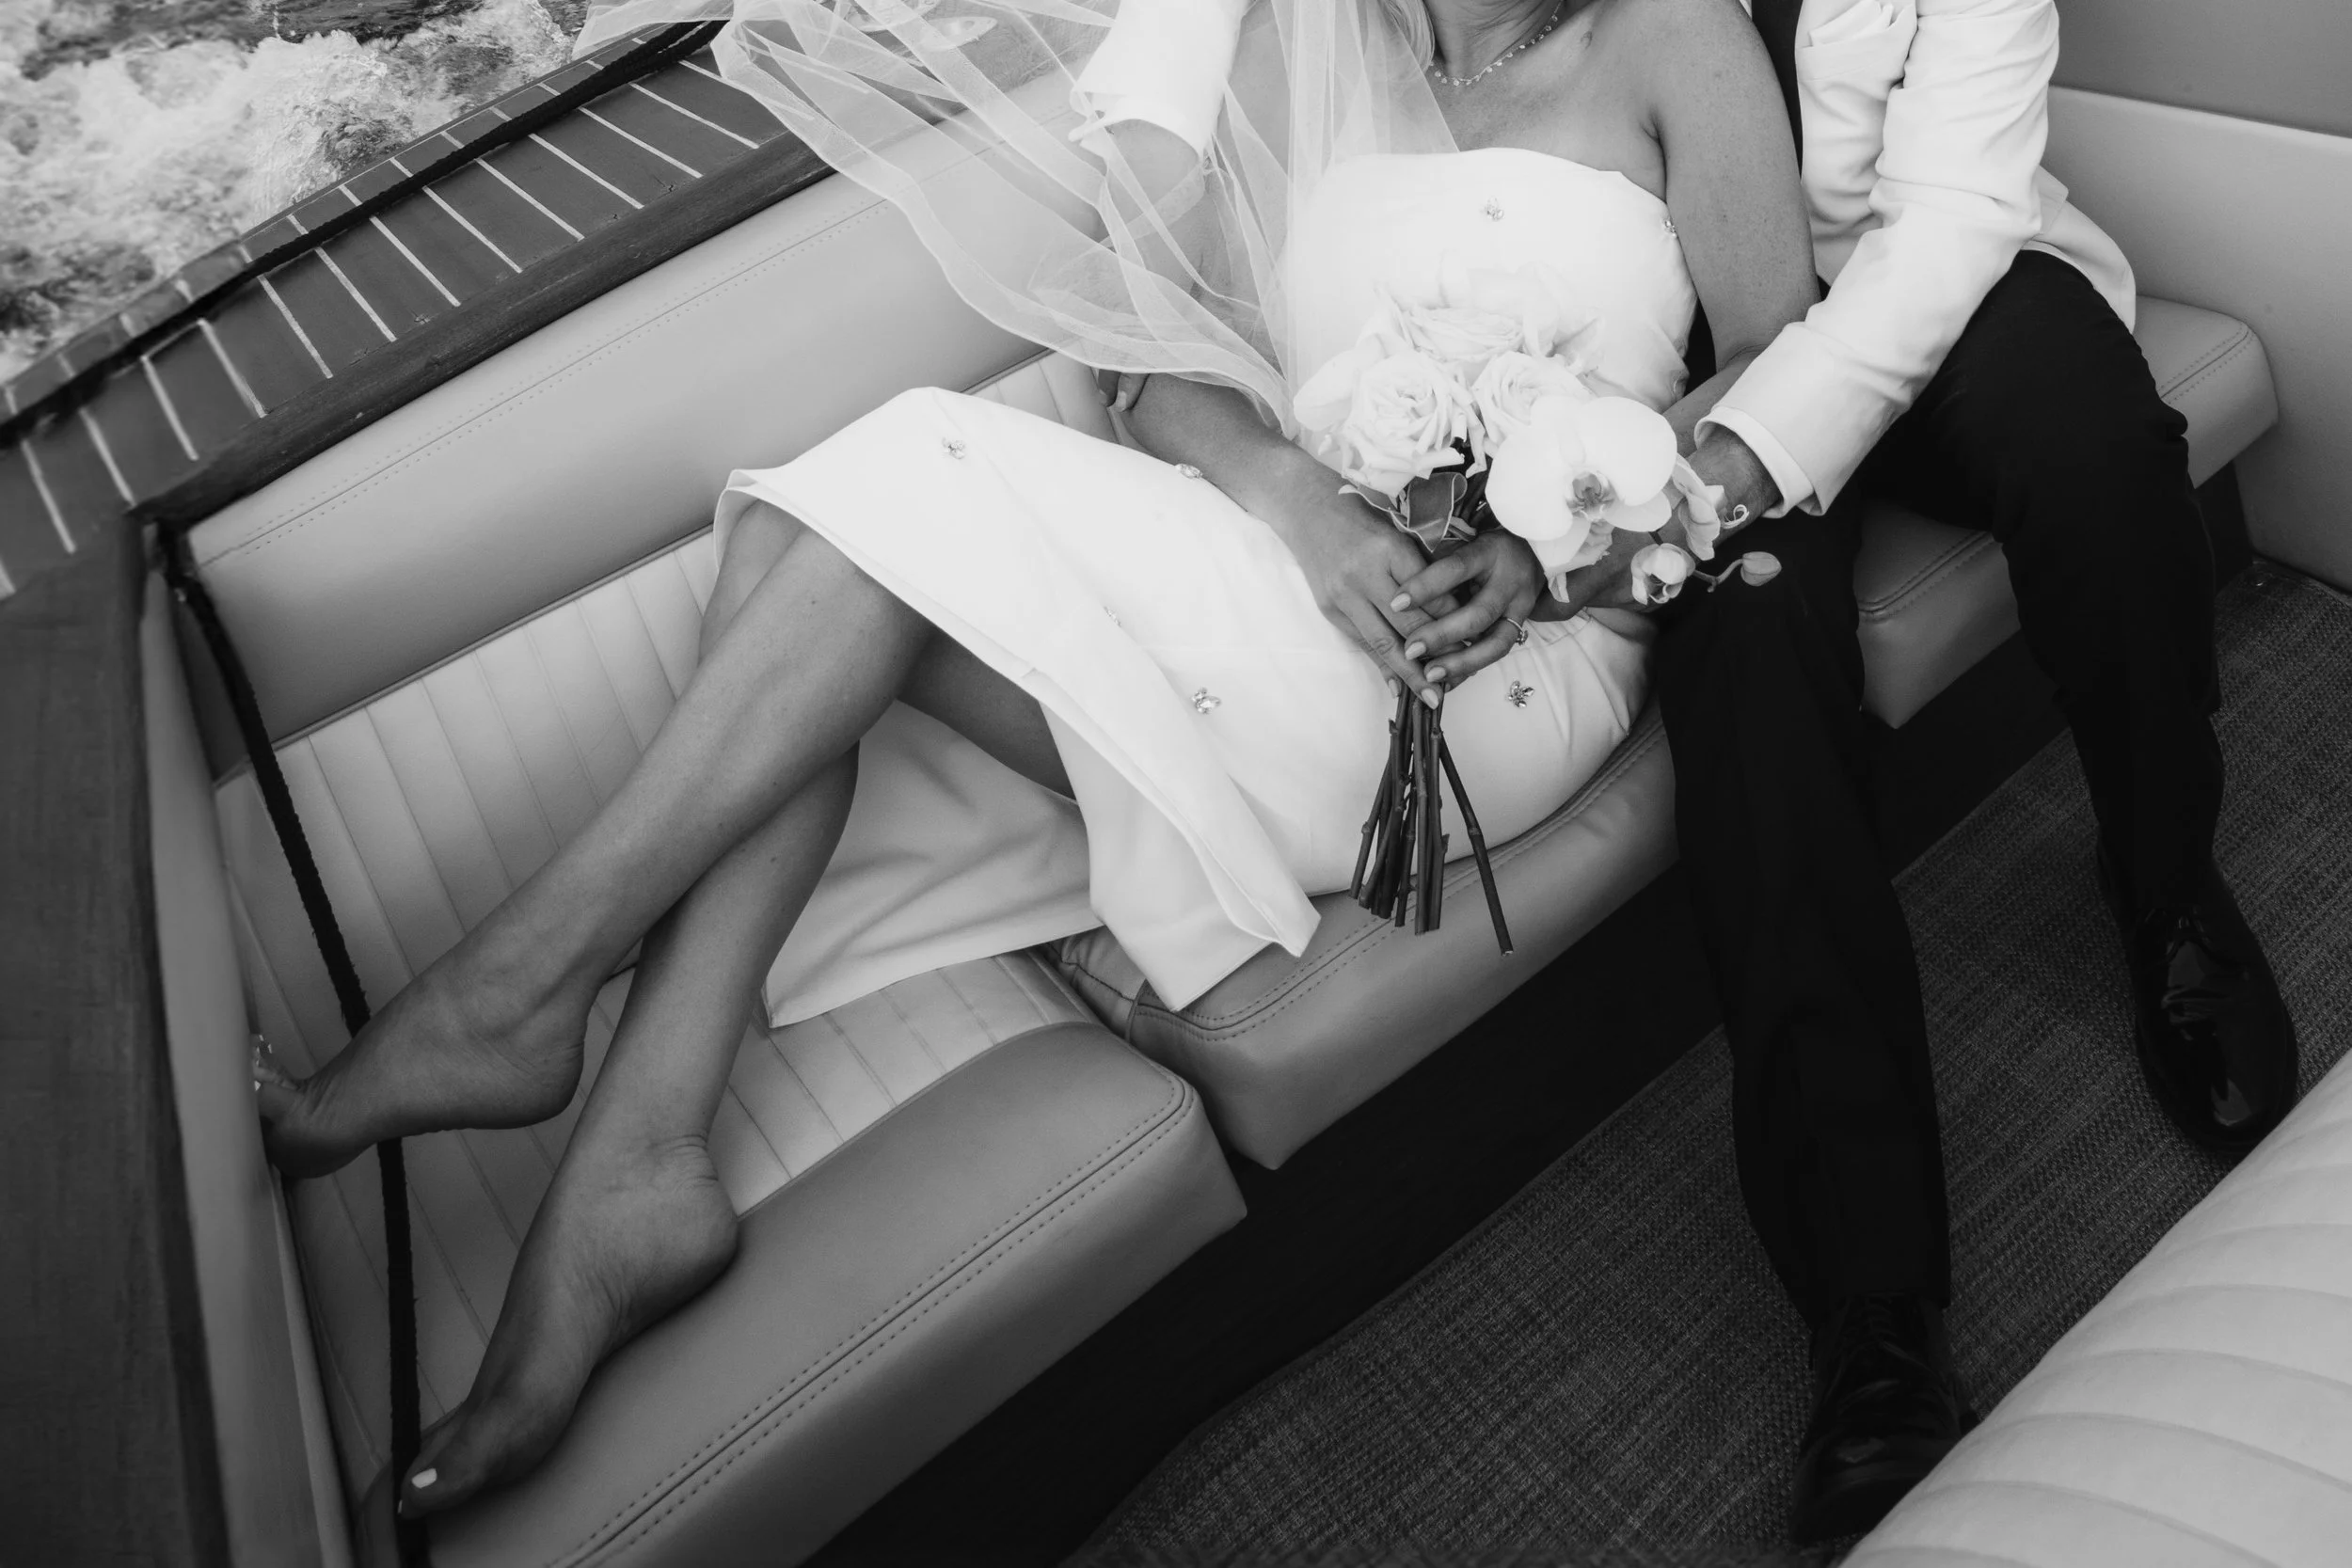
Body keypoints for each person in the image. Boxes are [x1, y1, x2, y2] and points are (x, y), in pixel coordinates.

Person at [252, 0, 1820, 1520]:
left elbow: (1775, 360)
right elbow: (1161, 370)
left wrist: (1551, 543)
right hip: (1302, 564)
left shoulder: (1681, 38)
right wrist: (1297, 498)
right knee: (835, 537)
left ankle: (526, 1017)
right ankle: (630, 1161)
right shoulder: (1316, 39)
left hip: (1504, 656)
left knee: (866, 525)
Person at [1089, 0, 2304, 1544]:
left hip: (1922, 285)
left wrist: (1714, 469)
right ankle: (1870, 1306)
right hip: (1685, 343)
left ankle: (2167, 881)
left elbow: (1941, 233)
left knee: (2087, 443)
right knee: (1740, 641)